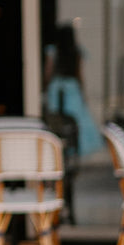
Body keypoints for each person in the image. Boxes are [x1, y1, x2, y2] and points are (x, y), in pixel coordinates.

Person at [43, 24, 102, 157]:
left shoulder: (53, 51)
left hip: (56, 87)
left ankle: (60, 149)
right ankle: (74, 149)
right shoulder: (77, 51)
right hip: (72, 87)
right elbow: (79, 75)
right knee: (78, 120)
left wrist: (46, 88)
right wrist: (82, 94)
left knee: (57, 120)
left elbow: (48, 73)